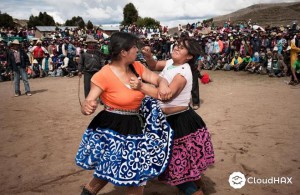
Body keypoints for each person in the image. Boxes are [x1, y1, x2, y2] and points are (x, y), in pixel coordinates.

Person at [75, 32, 173, 195]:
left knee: (136, 176)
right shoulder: (103, 74)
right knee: (104, 173)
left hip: (135, 126)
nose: (137, 50)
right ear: (123, 52)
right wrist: (87, 106)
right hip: (111, 129)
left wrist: (163, 85)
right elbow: (90, 100)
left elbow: (158, 79)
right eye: (134, 47)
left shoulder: (137, 67)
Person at [134, 37, 214, 195]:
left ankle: (196, 191)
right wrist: (149, 56)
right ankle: (200, 186)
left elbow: (167, 96)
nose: (176, 48)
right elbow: (155, 65)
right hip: (168, 121)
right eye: (177, 45)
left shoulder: (183, 71)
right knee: (186, 164)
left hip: (180, 122)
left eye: (182, 48)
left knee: (177, 167)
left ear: (189, 56)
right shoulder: (171, 63)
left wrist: (141, 86)